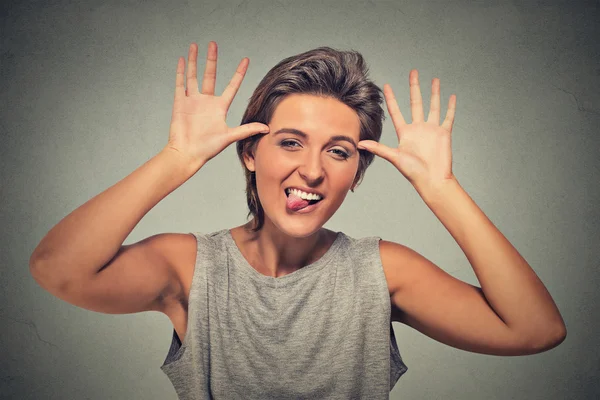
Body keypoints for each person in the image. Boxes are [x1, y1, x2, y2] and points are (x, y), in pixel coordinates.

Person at [29, 41, 567, 399]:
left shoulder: (381, 271)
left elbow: (535, 330)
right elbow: (59, 268)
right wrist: (175, 159)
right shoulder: (191, 266)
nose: (311, 171)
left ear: (357, 172)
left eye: (338, 152)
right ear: (248, 153)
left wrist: (442, 190)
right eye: (290, 143)